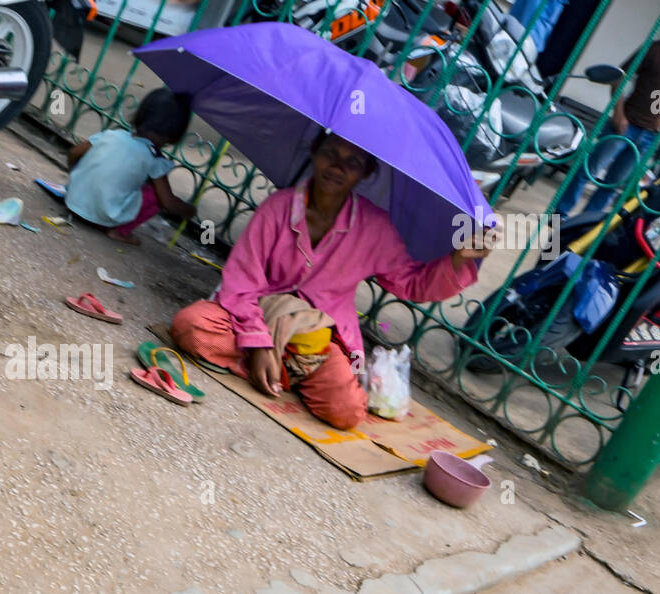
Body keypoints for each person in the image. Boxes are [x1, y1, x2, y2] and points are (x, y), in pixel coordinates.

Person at [170, 131, 493, 430]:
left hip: (320, 338)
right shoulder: (278, 209)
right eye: (330, 154)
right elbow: (242, 283)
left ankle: (284, 367)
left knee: (348, 412)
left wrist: (458, 260)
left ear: (366, 173)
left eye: (352, 162)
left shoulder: (375, 228)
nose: (337, 167)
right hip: (256, 318)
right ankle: (281, 366)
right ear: (314, 152)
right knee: (190, 325)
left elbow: (412, 285)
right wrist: (259, 344)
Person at [555, 5, 660, 215]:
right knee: (588, 170)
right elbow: (618, 77)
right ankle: (560, 214)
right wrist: (619, 114)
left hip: (650, 135)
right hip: (626, 124)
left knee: (613, 183)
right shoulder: (655, 48)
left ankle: (583, 222)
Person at [64, 88, 197, 245]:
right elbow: (168, 202)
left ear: (141, 114)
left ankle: (86, 195)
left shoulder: (111, 135)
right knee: (155, 195)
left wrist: (78, 174)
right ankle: (118, 231)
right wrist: (188, 210)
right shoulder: (154, 159)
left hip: (72, 202)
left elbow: (73, 153)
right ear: (176, 135)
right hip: (101, 220)